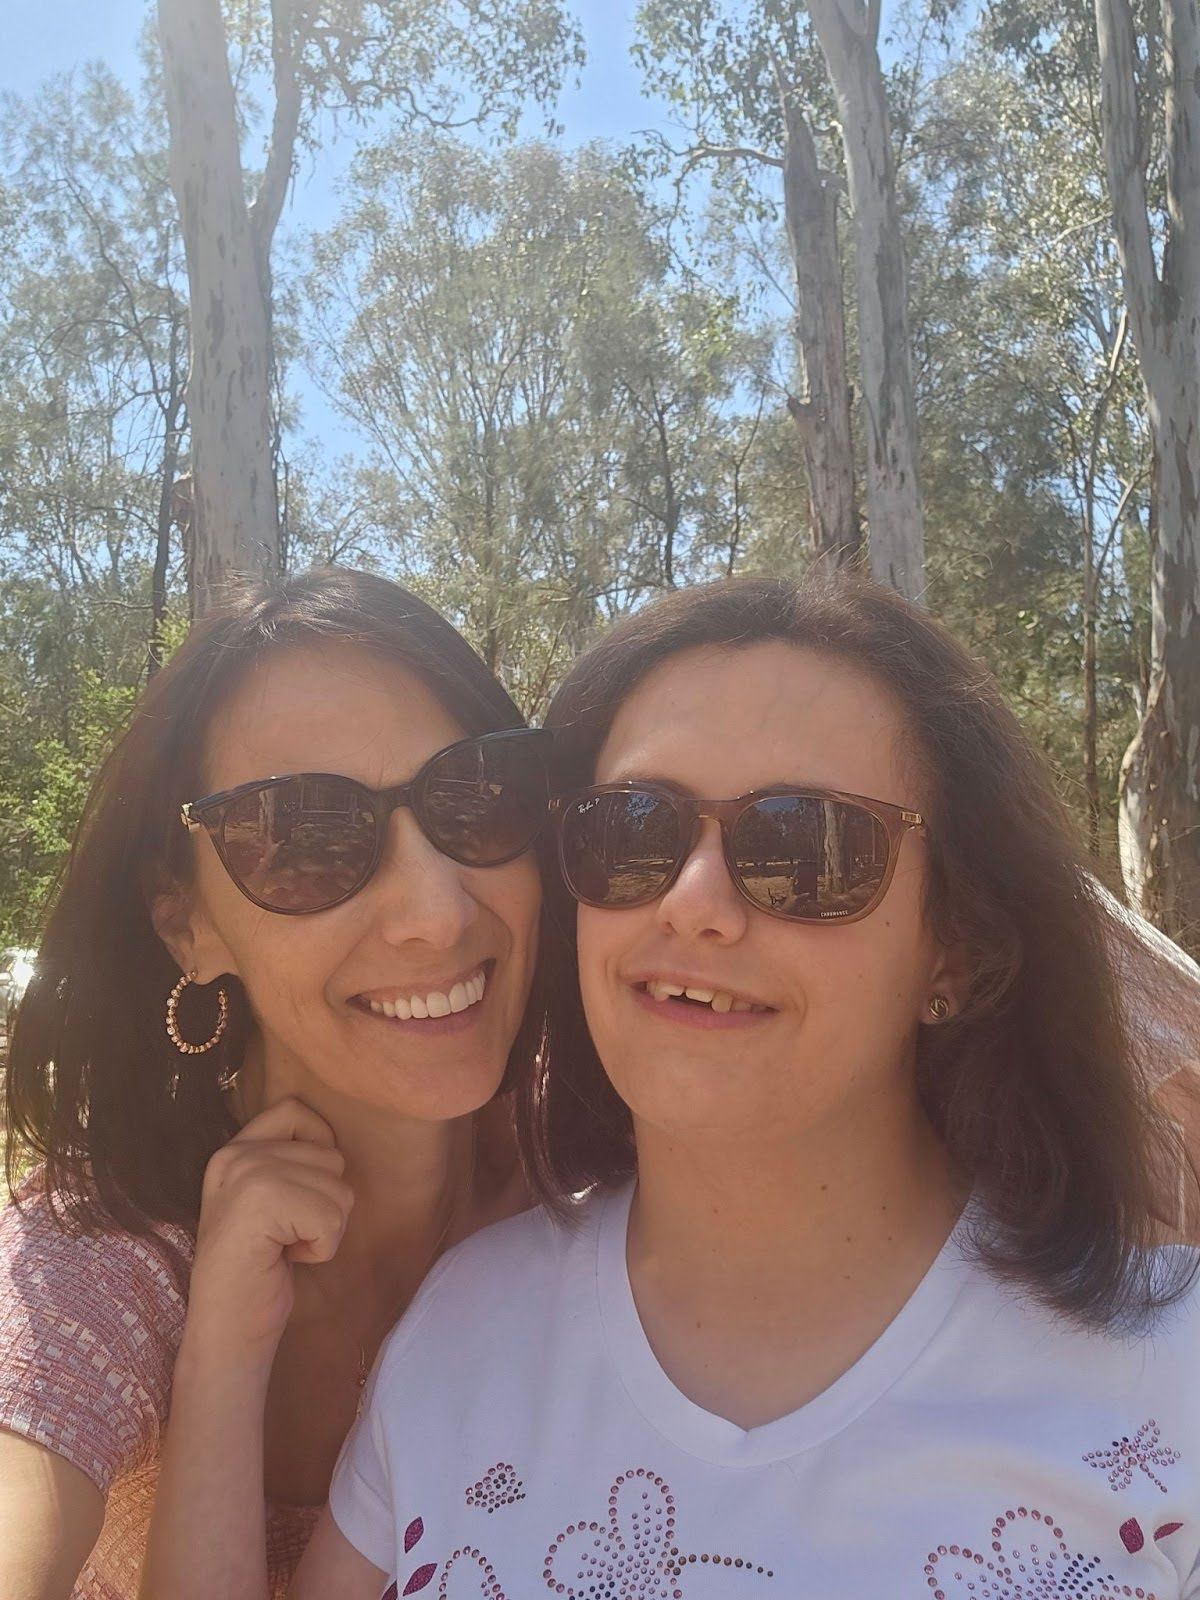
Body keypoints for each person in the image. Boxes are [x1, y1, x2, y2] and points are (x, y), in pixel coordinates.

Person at [285, 572, 1200, 1597]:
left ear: (957, 947)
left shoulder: (1169, 1372)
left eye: (805, 846)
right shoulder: (458, 1340)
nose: (695, 903)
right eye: (632, 830)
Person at [0, 567, 551, 1600]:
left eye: (475, 799)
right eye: (304, 839)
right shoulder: (100, 1253)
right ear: (188, 925)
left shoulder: (598, 1173)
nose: (434, 911)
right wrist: (217, 1363)